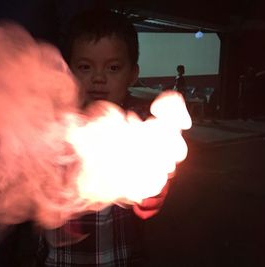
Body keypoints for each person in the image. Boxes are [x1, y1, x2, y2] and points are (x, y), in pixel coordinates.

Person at [36, 8, 171, 267]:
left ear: (132, 73)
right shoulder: (51, 124)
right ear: (69, 72)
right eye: (85, 67)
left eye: (113, 67)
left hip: (121, 258)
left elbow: (163, 169)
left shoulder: (143, 124)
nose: (98, 78)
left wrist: (157, 191)